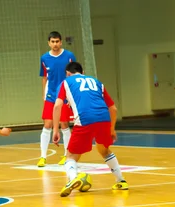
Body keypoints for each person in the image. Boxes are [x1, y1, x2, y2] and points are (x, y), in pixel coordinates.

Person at [52, 62, 127, 197]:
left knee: (71, 156)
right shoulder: (96, 82)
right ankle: (121, 180)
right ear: (82, 71)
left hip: (85, 119)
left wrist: (56, 129)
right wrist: (112, 129)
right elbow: (113, 108)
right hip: (104, 118)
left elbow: (57, 106)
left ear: (68, 73)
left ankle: (73, 177)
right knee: (104, 150)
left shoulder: (66, 82)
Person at [38, 31, 76, 167]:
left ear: (61, 42)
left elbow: (74, 74)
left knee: (64, 124)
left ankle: (66, 155)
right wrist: (44, 94)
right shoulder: (44, 58)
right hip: (51, 95)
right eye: (52, 41)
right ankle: (43, 157)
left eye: (57, 41)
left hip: (65, 95)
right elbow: (44, 77)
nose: (55, 44)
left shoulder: (69, 56)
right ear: (49, 43)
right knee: (47, 124)